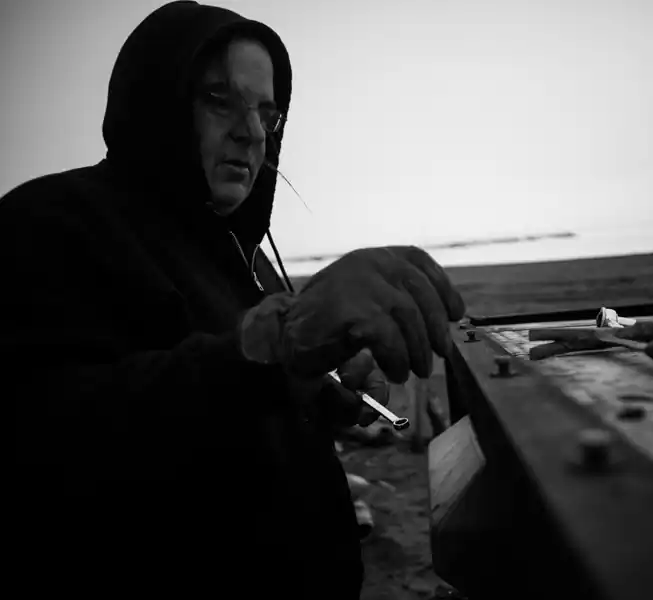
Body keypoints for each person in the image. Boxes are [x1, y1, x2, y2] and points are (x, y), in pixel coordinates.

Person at [4, 1, 465, 596]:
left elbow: (237, 400)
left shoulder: (244, 258)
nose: (253, 132)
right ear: (156, 103)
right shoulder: (50, 221)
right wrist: (272, 347)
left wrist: (317, 390)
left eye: (268, 113)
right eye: (220, 100)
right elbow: (51, 435)